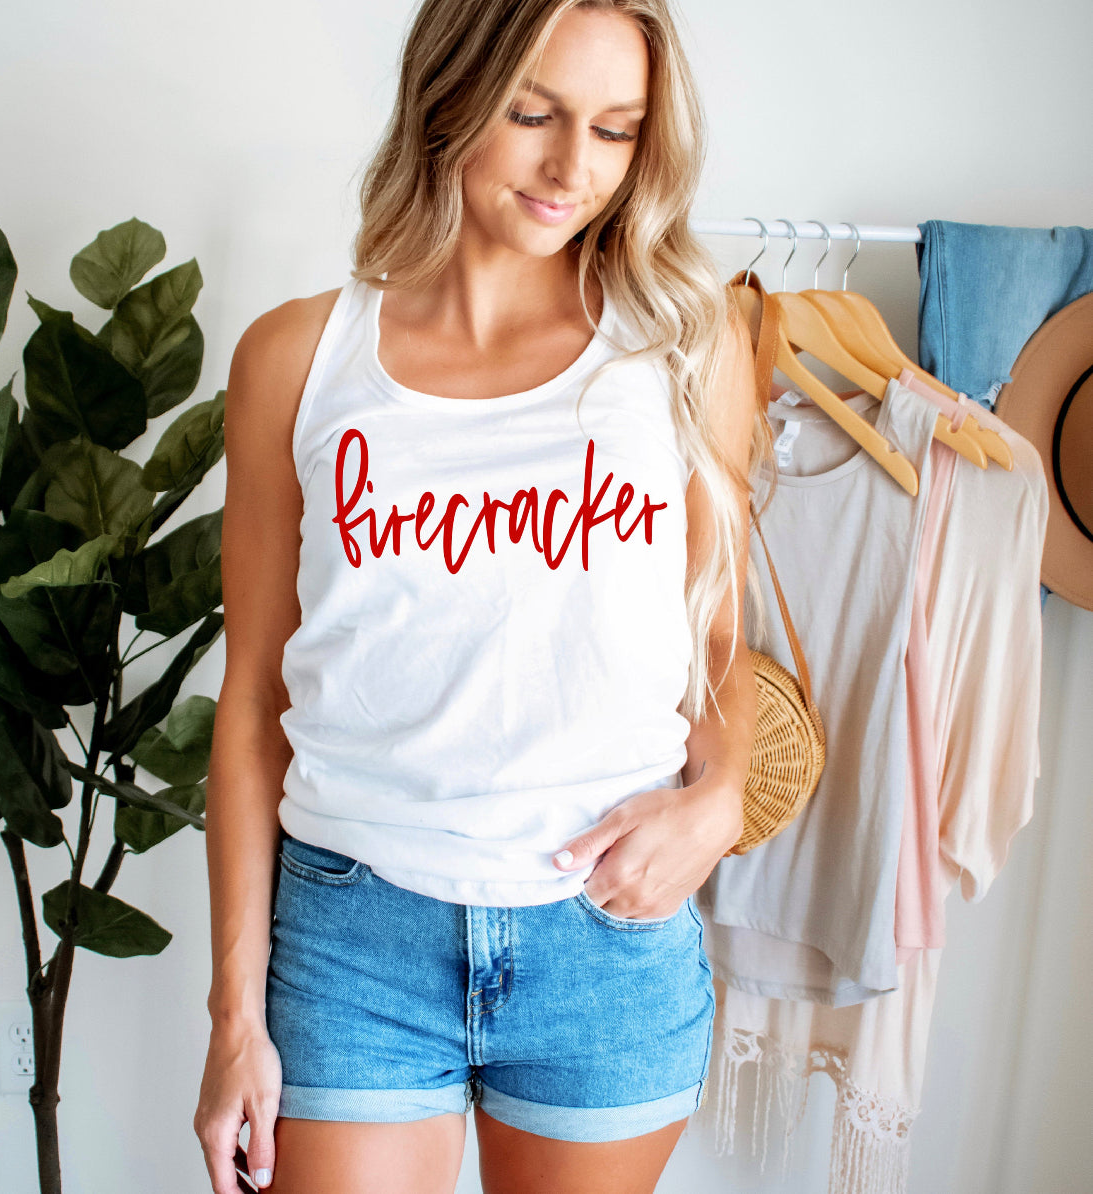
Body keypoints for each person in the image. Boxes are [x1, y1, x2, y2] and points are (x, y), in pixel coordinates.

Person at [193, 1, 767, 1191]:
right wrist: (233, 1017)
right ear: (449, 96)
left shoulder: (685, 348)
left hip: (605, 939)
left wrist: (719, 802)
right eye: (534, 114)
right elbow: (250, 701)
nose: (573, 169)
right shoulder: (296, 360)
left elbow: (717, 637)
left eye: (616, 130)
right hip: (356, 940)